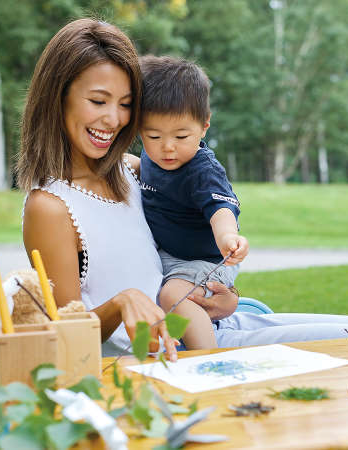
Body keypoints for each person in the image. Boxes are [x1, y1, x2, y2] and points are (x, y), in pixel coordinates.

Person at [18, 18, 348, 361]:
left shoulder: (133, 171)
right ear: (58, 97)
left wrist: (225, 299)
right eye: (98, 101)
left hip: (209, 323)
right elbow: (68, 334)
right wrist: (122, 303)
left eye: (126, 104)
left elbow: (197, 228)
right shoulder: (50, 207)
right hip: (176, 352)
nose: (113, 119)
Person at [138, 55, 248, 350]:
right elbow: (147, 170)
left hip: (205, 260)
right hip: (170, 255)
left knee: (173, 295)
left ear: (204, 127)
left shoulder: (203, 171)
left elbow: (221, 210)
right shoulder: (150, 158)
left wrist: (228, 237)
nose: (168, 146)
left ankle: (206, 356)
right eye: (154, 135)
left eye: (181, 135)